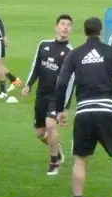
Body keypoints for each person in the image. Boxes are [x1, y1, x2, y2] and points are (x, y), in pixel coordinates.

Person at [49, 17, 112, 197]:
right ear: (100, 32)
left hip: (84, 112)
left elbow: (63, 82)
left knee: (80, 160)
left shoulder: (75, 53)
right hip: (107, 111)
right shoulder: (111, 52)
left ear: (85, 32)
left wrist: (60, 110)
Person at [21, 14, 74, 175]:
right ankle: (57, 150)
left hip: (56, 97)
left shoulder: (71, 53)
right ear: (56, 26)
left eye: (68, 25)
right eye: (63, 24)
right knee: (40, 133)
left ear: (71, 30)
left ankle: (54, 163)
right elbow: (35, 67)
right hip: (41, 95)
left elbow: (71, 82)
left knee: (51, 126)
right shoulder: (43, 45)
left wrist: (65, 107)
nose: (65, 27)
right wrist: (28, 85)